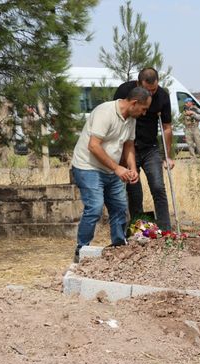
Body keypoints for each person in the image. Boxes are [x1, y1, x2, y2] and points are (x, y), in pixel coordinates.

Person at [71, 86, 151, 262]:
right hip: (87, 166)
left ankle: (118, 246)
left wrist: (131, 168)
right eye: (143, 109)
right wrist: (117, 168)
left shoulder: (131, 118)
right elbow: (93, 145)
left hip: (111, 168)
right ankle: (81, 250)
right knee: (95, 208)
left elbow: (128, 145)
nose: (144, 113)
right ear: (134, 103)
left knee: (120, 207)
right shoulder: (105, 112)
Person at [113, 68, 173, 231]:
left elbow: (166, 127)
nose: (151, 94)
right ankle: (139, 230)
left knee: (158, 187)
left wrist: (168, 155)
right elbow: (117, 117)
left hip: (150, 148)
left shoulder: (162, 96)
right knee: (134, 191)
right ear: (138, 84)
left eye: (154, 90)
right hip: (129, 147)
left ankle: (166, 229)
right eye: (148, 90)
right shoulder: (125, 90)